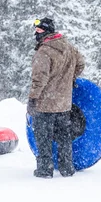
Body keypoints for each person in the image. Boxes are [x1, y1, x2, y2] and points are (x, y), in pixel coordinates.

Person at [27, 17, 85, 179]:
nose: (36, 33)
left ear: (46, 31)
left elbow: (39, 79)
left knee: (43, 138)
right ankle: (67, 168)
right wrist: (69, 79)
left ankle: (45, 169)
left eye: (39, 30)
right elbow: (81, 64)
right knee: (64, 137)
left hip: (45, 104)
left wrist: (32, 99)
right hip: (64, 103)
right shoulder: (69, 48)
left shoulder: (44, 51)